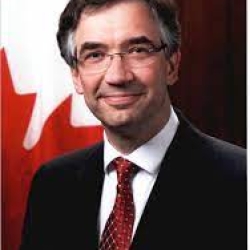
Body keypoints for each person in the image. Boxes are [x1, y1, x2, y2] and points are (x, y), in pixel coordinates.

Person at [19, 0, 247, 249]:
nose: (117, 76)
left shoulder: (240, 181)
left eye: (138, 50)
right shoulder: (52, 185)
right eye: (95, 55)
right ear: (76, 76)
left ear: (171, 64)